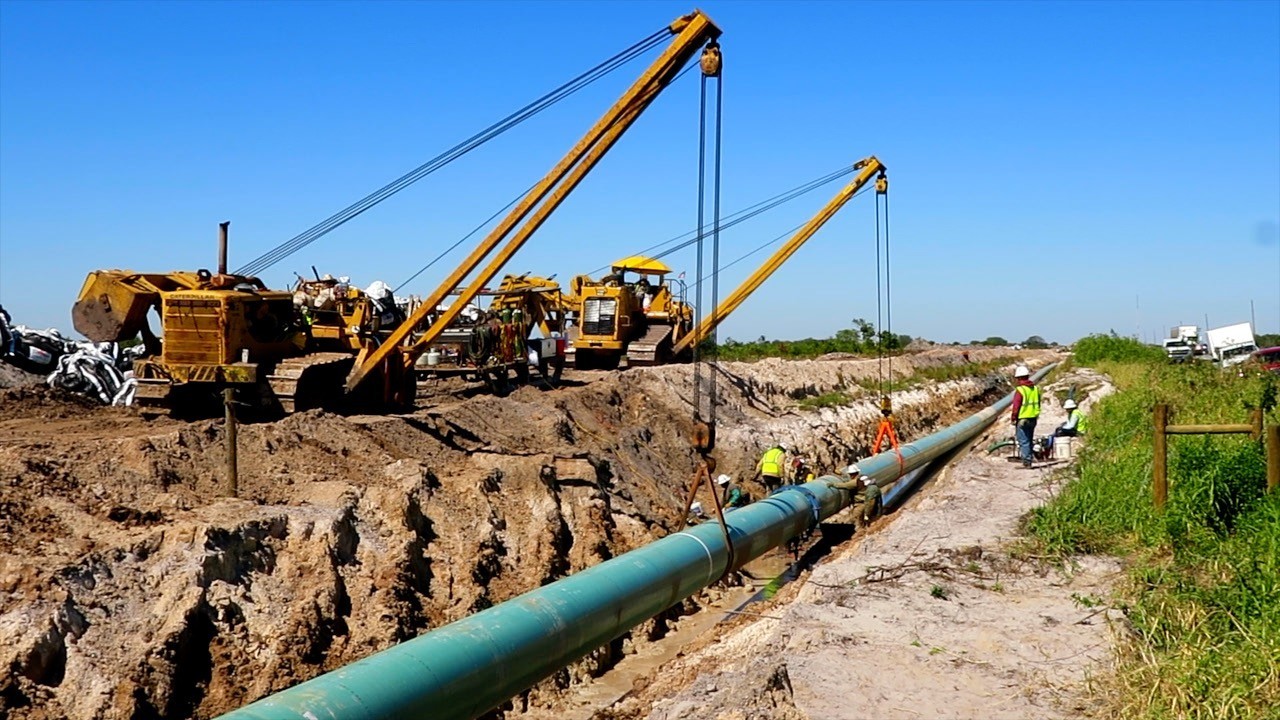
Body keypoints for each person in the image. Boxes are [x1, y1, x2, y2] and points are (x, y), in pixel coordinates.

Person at [1009, 365, 1040, 468]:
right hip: (1033, 418)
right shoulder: (1035, 389)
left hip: (1023, 419)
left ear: (1019, 378)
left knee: (1023, 440)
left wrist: (1013, 418)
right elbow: (1038, 403)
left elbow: (1016, 406)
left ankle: (1027, 462)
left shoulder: (1020, 390)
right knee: (1029, 439)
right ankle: (1029, 459)